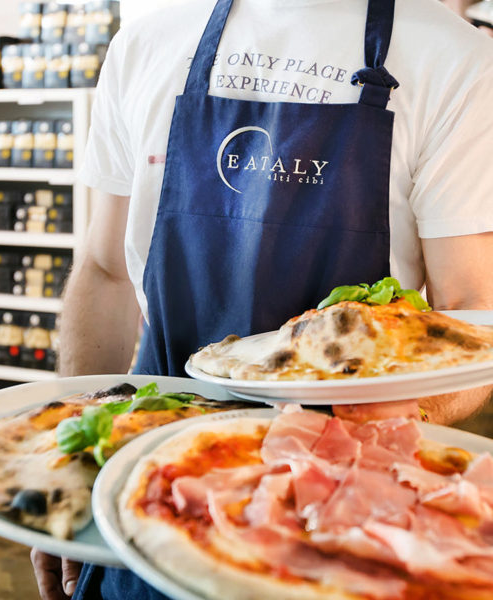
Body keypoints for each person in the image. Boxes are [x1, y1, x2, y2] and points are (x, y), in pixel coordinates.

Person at [31, 0, 493, 598]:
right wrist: (67, 461)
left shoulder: (454, 58)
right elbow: (104, 272)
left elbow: (472, 309)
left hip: (332, 508)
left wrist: (400, 422)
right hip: (148, 464)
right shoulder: (144, 44)